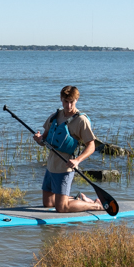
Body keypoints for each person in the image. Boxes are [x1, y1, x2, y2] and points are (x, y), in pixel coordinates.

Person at [33, 85, 102, 213]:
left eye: (71, 102)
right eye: (66, 101)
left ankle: (97, 205)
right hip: (51, 166)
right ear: (61, 99)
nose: (68, 105)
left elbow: (91, 146)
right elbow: (44, 140)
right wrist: (39, 139)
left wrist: (77, 160)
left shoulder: (81, 120)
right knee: (47, 204)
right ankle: (79, 199)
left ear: (76, 100)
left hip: (65, 168)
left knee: (61, 208)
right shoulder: (55, 116)